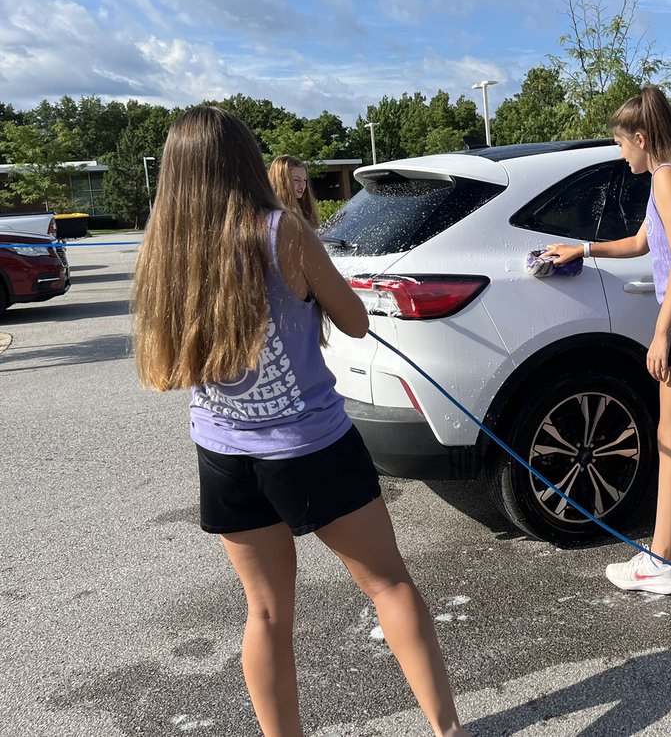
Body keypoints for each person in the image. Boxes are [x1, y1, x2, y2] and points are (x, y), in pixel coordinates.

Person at [131, 107, 468, 737]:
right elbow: (353, 319)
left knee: (264, 613)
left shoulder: (166, 249)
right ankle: (449, 731)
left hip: (223, 453)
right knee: (390, 583)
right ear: (243, 161)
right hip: (310, 444)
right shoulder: (282, 230)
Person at [543, 84, 671, 595]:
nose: (620, 154)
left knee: (670, 442)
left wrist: (661, 335)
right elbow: (641, 243)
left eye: (620, 144)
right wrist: (582, 248)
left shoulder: (668, 179)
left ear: (640, 136)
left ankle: (658, 564)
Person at [268, 155, 319, 227]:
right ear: (281, 181)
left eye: (305, 180)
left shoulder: (306, 211)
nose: (302, 185)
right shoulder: (274, 215)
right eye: (296, 180)